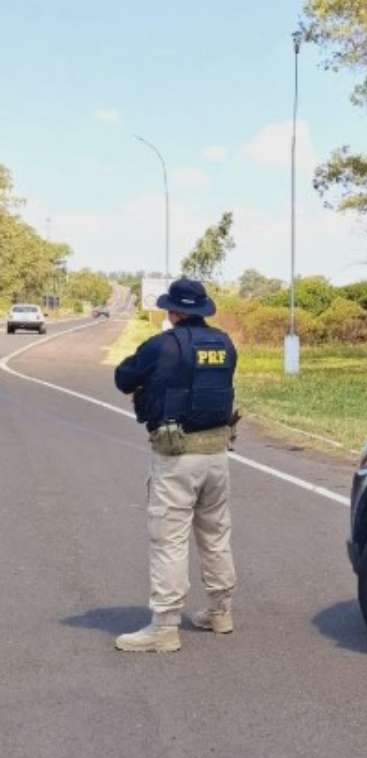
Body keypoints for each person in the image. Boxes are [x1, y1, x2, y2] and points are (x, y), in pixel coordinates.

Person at [113, 278, 239, 653]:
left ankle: (164, 627)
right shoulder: (225, 344)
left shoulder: (162, 345)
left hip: (176, 457)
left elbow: (123, 378)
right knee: (216, 534)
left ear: (174, 311)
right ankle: (220, 612)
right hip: (217, 455)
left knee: (169, 540)